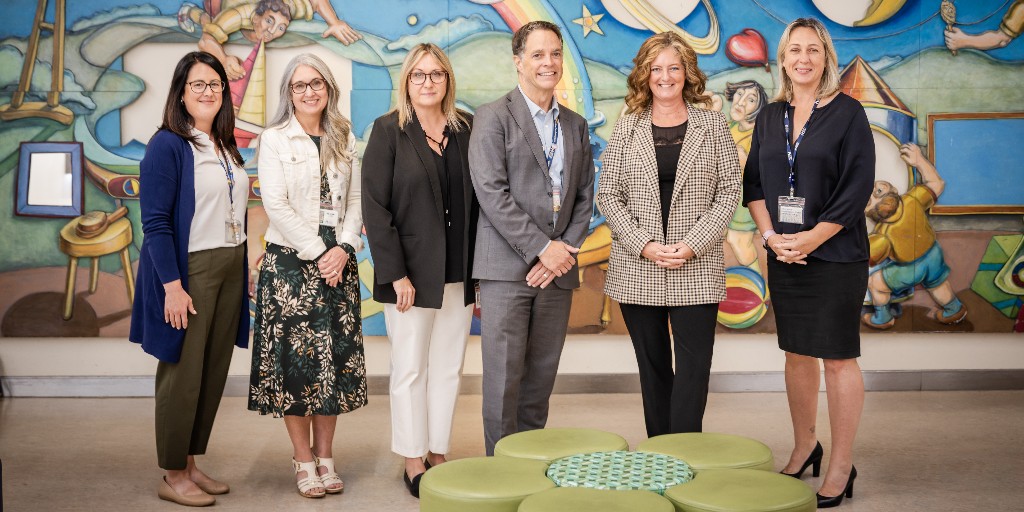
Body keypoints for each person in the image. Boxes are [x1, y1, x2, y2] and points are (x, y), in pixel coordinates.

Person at [742, 18, 874, 508]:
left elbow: (856, 187)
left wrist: (812, 239)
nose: (803, 58)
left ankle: (841, 464)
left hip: (836, 254)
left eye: (813, 50)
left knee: (838, 358)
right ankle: (805, 446)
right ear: (782, 59)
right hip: (785, 254)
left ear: (826, 58)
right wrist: (773, 237)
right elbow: (753, 184)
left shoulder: (849, 113)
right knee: (796, 353)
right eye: (794, 50)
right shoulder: (769, 115)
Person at [596, 32, 740, 438]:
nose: (665, 76)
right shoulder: (627, 128)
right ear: (645, 76)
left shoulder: (712, 125)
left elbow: (730, 190)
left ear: (687, 73)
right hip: (638, 266)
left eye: (673, 68)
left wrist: (693, 244)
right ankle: (660, 454)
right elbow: (608, 194)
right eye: (656, 69)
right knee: (654, 368)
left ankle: (685, 453)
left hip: (695, 265)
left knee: (694, 370)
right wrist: (644, 244)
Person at [468, 20, 595, 456]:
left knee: (540, 377)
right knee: (503, 380)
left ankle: (529, 461)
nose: (548, 63)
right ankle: (501, 471)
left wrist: (561, 254)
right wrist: (544, 248)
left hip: (557, 272)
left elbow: (583, 196)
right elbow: (491, 193)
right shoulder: (492, 117)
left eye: (555, 54)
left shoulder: (575, 125)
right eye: (538, 54)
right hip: (506, 270)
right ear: (518, 61)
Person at [130, 51, 249, 507]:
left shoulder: (223, 144)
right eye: (197, 84)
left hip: (229, 265)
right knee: (181, 373)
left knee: (211, 371)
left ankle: (191, 463)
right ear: (181, 92)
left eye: (215, 84)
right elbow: (156, 224)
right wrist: (172, 286)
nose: (207, 92)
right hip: (190, 270)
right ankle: (172, 472)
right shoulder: (167, 144)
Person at [247, 53, 366, 499]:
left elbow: (355, 200)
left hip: (339, 261)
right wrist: (321, 253)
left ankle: (327, 459)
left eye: (316, 83)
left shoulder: (344, 135)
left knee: (330, 364)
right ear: (288, 94)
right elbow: (275, 203)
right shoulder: (275, 138)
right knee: (296, 369)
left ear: (329, 88)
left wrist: (346, 248)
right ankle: (302, 461)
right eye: (299, 86)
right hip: (291, 264)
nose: (309, 91)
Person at [361, 43, 477, 498]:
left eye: (436, 74)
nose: (427, 82)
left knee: (448, 367)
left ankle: (438, 449)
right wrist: (395, 274)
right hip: (408, 275)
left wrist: (479, 273)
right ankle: (412, 457)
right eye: (418, 75)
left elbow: (481, 203)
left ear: (447, 80)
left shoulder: (466, 129)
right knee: (410, 367)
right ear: (406, 82)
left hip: (458, 270)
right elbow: (375, 207)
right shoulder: (389, 130)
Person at [862, 143, 966, 328]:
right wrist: (919, 161)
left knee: (875, 283)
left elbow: (866, 256)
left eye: (876, 192)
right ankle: (954, 309)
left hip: (910, 268)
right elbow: (937, 184)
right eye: (872, 195)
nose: (873, 190)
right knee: (937, 284)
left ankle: (883, 318)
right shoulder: (912, 200)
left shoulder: (883, 236)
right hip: (933, 253)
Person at [178, 0, 362, 80]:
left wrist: (334, 22)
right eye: (269, 21)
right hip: (220, 5)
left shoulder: (289, 7)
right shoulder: (238, 14)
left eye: (281, 27)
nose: (272, 31)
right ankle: (190, 11)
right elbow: (206, 40)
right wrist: (223, 58)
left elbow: (316, 1)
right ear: (256, 18)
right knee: (210, 20)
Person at [724, 80, 769, 271]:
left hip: (744, 201)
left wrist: (744, 164)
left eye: (750, 100)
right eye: (739, 93)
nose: (740, 102)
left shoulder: (758, 137)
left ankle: (759, 289)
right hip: (722, 198)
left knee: (738, 241)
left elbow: (762, 175)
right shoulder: (728, 127)